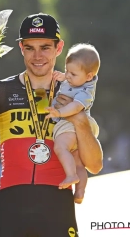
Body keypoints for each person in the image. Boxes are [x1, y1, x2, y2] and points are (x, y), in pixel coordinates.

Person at [0, 13, 103, 237]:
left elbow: (95, 165)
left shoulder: (75, 93)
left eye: (45, 47)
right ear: (21, 48)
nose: (38, 55)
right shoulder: (2, 91)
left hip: (57, 203)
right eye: (30, 48)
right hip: (11, 202)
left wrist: (79, 119)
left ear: (59, 48)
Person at [45, 43, 100, 204]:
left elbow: (76, 107)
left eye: (72, 73)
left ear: (89, 76)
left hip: (72, 124)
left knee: (61, 147)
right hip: (77, 125)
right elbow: (69, 81)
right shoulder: (77, 80)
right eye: (67, 70)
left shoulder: (86, 92)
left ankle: (71, 175)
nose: (68, 75)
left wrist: (59, 113)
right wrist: (63, 77)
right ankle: (80, 191)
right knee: (78, 162)